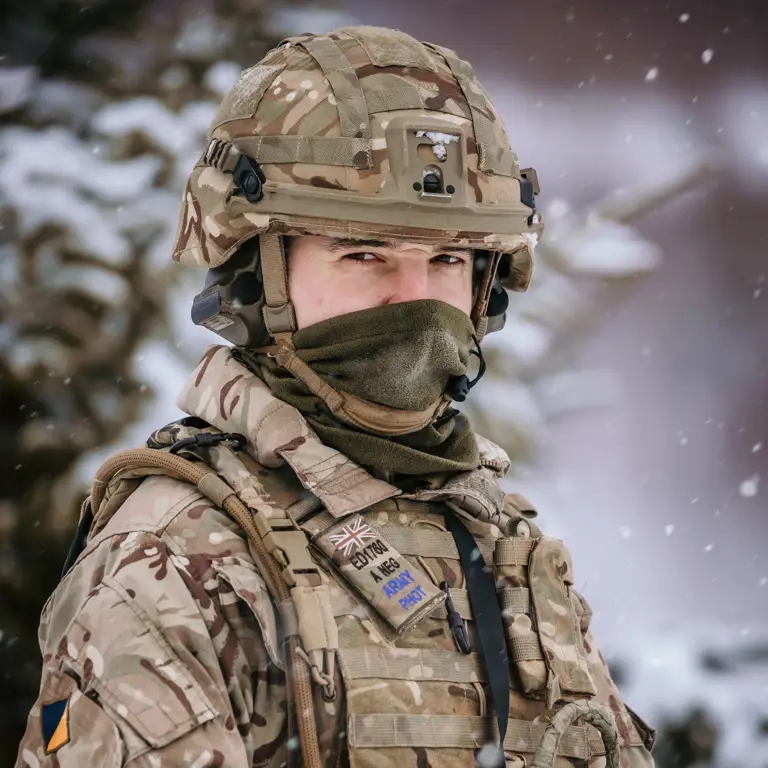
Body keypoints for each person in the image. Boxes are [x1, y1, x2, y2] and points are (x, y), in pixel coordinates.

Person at [16, 25, 657, 768]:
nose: (416, 300)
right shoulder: (178, 560)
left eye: (448, 258)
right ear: (259, 273)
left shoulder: (498, 537)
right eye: (364, 255)